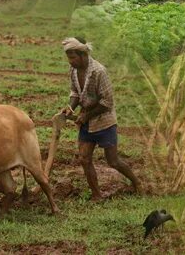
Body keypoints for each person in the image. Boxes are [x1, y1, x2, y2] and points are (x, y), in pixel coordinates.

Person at [60, 37, 141, 200]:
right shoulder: (74, 71)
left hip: (104, 121)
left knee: (113, 161)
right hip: (86, 122)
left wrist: (86, 116)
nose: (70, 61)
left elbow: (107, 102)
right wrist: (70, 107)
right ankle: (97, 194)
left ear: (83, 55)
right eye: (68, 58)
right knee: (84, 158)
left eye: (73, 57)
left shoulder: (99, 71)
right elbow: (75, 93)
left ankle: (137, 183)